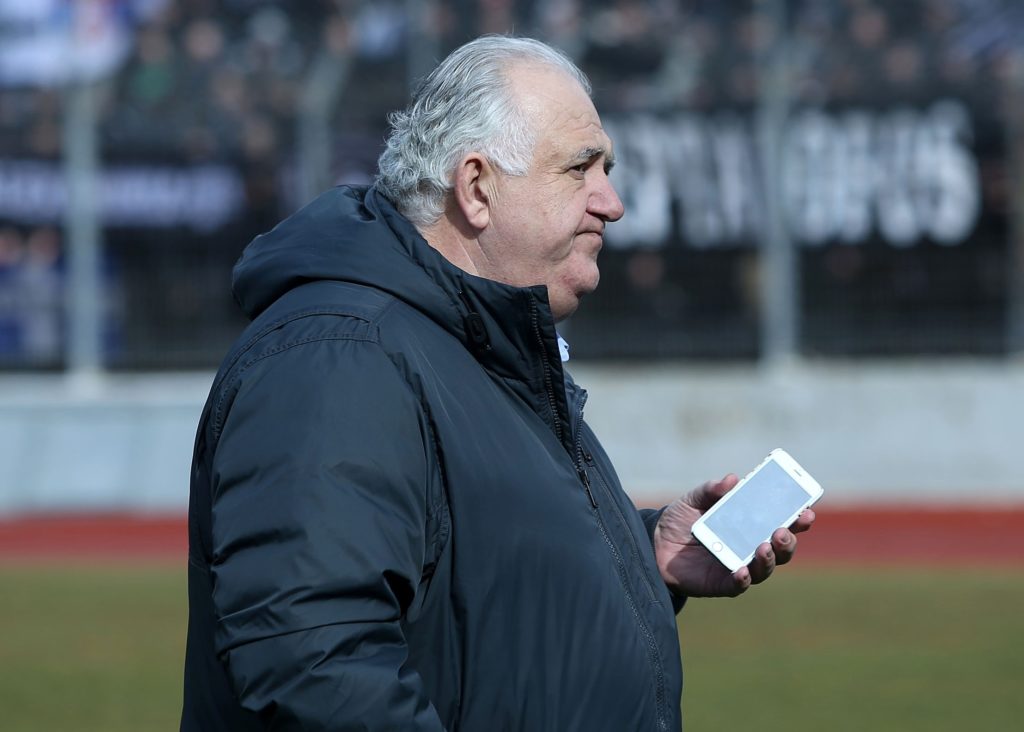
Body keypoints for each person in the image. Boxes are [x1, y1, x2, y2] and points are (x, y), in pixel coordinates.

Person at [180, 35, 814, 731]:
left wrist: (640, 552)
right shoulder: (338, 357)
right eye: (580, 168)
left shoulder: (469, 342)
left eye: (606, 170)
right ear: (477, 187)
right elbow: (313, 666)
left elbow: (476, 575)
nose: (611, 202)